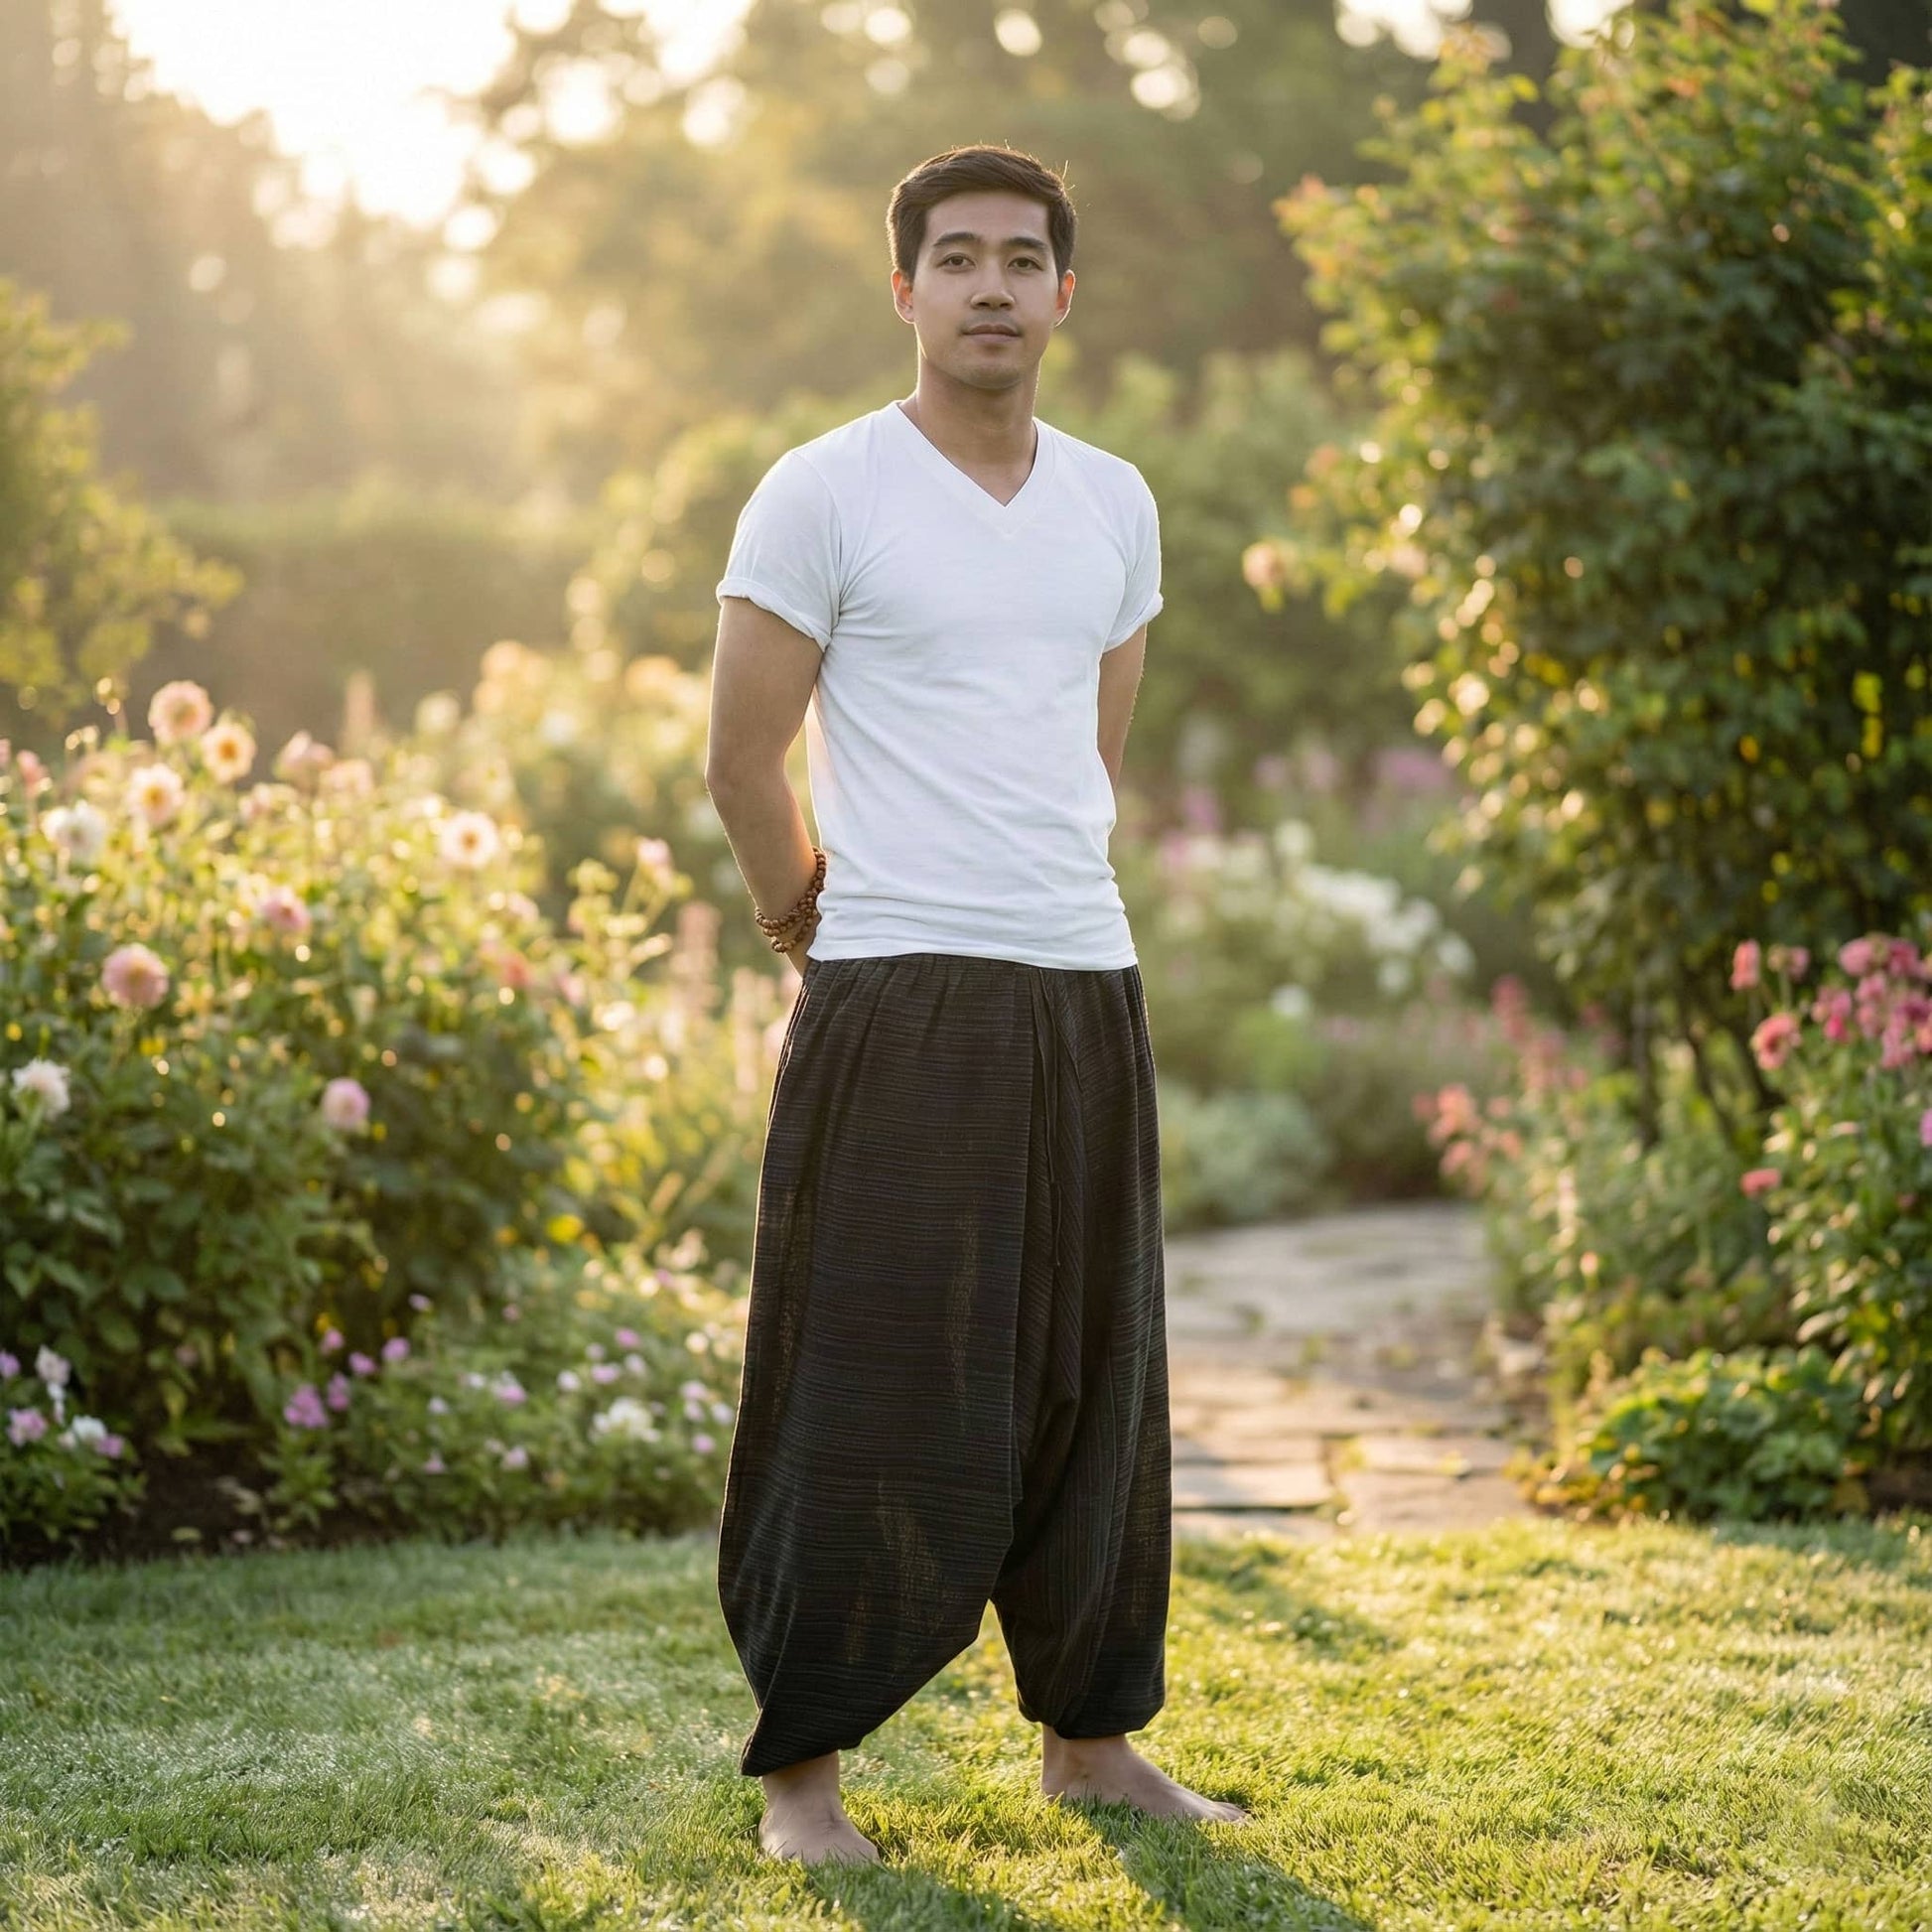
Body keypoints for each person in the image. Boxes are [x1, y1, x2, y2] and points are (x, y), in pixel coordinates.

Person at [703, 142, 1250, 1867]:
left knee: (1096, 1376)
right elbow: (738, 751)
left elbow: (1089, 750)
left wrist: (1035, 894)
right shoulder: (824, 488)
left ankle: (1090, 1745)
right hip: (895, 986)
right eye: (957, 258)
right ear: (907, 291)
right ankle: (806, 1778)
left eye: (1022, 258)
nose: (992, 285)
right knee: (860, 1380)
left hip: (1082, 980)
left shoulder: (1115, 502)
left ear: (1064, 293)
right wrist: (811, 919)